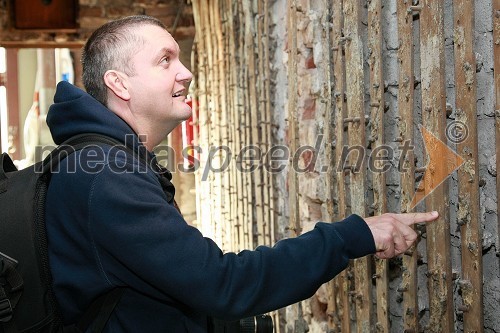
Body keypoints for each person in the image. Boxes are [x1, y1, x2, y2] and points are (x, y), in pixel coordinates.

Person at [44, 15, 439, 332]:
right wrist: (353, 235)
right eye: (165, 60)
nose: (186, 73)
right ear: (119, 84)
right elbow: (221, 283)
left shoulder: (107, 161)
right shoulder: (105, 177)